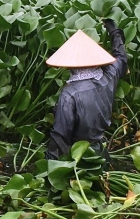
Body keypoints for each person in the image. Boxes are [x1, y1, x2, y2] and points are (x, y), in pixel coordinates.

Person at [45, 20, 128, 161]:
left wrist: (50, 167)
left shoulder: (69, 93)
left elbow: (60, 136)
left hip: (79, 156)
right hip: (100, 153)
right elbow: (121, 57)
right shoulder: (109, 75)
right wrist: (114, 32)